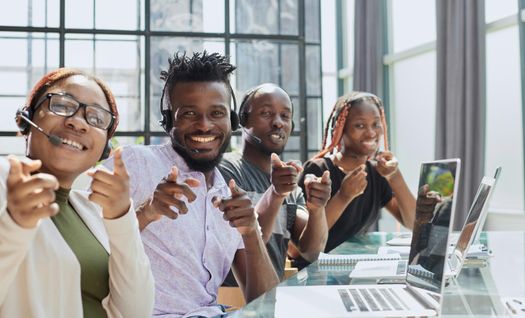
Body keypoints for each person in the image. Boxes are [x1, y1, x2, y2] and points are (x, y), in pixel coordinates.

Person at [102, 52, 279, 317]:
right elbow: (82, 247)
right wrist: (145, 213)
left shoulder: (228, 193)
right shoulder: (133, 164)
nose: (204, 125)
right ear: (169, 121)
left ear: (231, 121)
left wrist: (251, 231)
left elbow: (265, 304)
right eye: (189, 114)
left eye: (216, 113)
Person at [0, 68, 154, 317]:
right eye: (61, 105)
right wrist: (14, 226)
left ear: (104, 149)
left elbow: (136, 312)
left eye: (96, 118)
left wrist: (122, 218)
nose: (78, 122)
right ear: (26, 118)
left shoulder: (92, 209)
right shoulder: (2, 181)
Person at [219, 83, 331, 282]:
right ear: (243, 121)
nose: (278, 123)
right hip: (233, 304)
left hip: (272, 301)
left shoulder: (290, 187)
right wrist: (276, 193)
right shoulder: (226, 170)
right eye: (266, 113)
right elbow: (248, 240)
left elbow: (311, 252)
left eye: (285, 116)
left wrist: (317, 209)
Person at [296, 91, 416, 256]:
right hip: (315, 272)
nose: (371, 133)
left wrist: (394, 176)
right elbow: (300, 246)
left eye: (376, 124)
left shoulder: (375, 173)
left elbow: (412, 222)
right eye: (360, 125)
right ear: (339, 129)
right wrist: (344, 196)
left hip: (355, 268)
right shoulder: (318, 170)